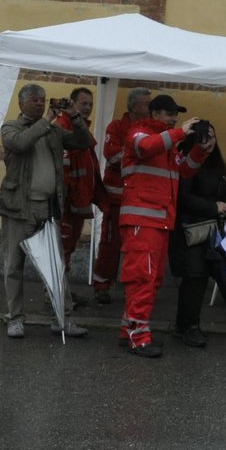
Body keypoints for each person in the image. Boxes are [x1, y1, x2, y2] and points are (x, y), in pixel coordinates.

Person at [0, 83, 95, 339]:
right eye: (34, 100)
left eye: (42, 100)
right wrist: (48, 120)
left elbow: (83, 142)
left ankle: (62, 318)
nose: (40, 104)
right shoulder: (11, 128)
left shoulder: (53, 131)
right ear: (21, 104)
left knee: (55, 265)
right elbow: (20, 144)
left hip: (47, 208)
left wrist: (74, 115)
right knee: (13, 267)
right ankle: (15, 318)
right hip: (18, 208)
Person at [120, 94, 209, 358]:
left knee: (152, 278)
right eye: (170, 114)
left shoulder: (168, 143)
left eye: (176, 115)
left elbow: (184, 170)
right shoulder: (138, 134)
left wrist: (201, 150)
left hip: (158, 220)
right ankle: (139, 337)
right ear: (155, 113)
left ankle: (130, 330)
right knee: (142, 278)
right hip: (142, 220)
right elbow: (146, 147)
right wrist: (181, 133)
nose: (174, 118)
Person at [169, 121, 226, 348]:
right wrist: (213, 207)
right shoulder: (188, 162)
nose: (210, 141)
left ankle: (187, 324)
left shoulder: (217, 164)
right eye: (205, 136)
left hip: (210, 232)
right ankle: (188, 327)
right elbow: (183, 196)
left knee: (201, 277)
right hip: (189, 230)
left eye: (213, 136)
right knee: (194, 277)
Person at [93, 87, 151, 304]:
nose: (150, 108)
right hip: (116, 199)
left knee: (137, 246)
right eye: (146, 104)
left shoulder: (150, 128)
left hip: (139, 199)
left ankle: (132, 288)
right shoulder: (116, 127)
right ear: (134, 106)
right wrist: (138, 154)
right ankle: (101, 285)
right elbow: (112, 155)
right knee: (110, 243)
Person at [55, 87, 99, 271]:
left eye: (90, 104)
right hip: (67, 201)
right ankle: (55, 296)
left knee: (69, 245)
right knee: (62, 246)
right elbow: (63, 170)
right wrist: (69, 199)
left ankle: (62, 292)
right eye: (84, 103)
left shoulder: (81, 128)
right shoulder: (63, 127)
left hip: (78, 199)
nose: (88, 107)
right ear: (72, 104)